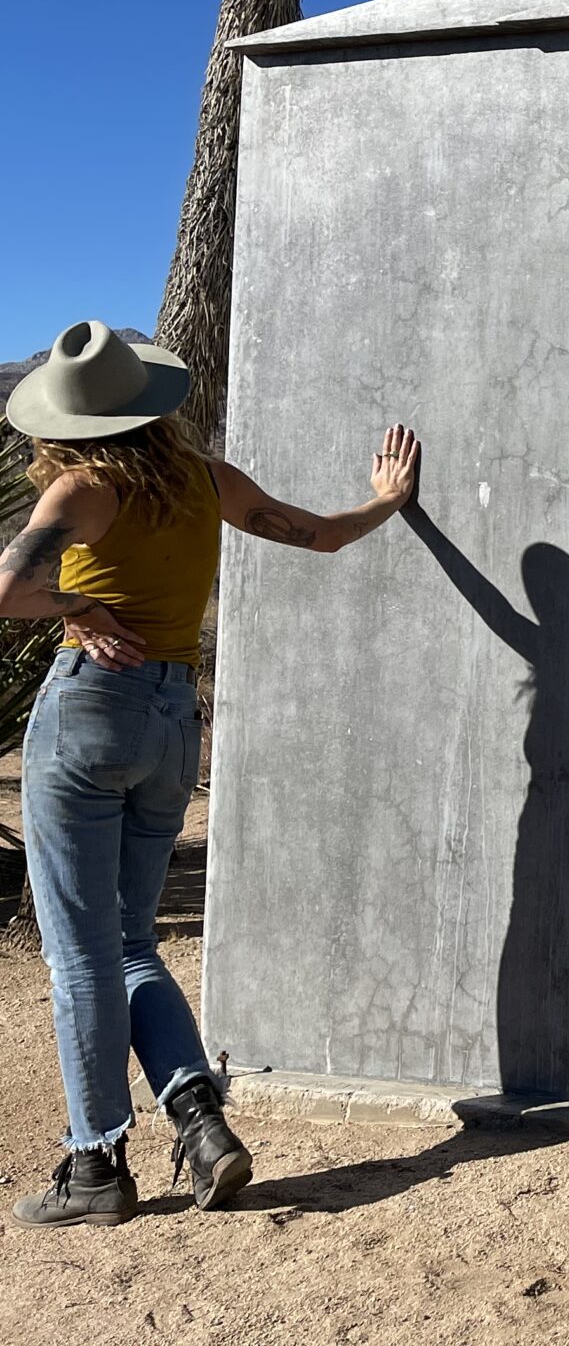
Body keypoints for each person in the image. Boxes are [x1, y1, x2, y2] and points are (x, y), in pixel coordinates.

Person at [0, 321, 418, 1229]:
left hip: (89, 708)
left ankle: (95, 1165)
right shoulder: (206, 480)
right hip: (171, 722)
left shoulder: (80, 488)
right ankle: (198, 1123)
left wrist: (78, 600)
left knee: (80, 959)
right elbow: (316, 536)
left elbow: (7, 591)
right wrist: (385, 501)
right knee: (129, 941)